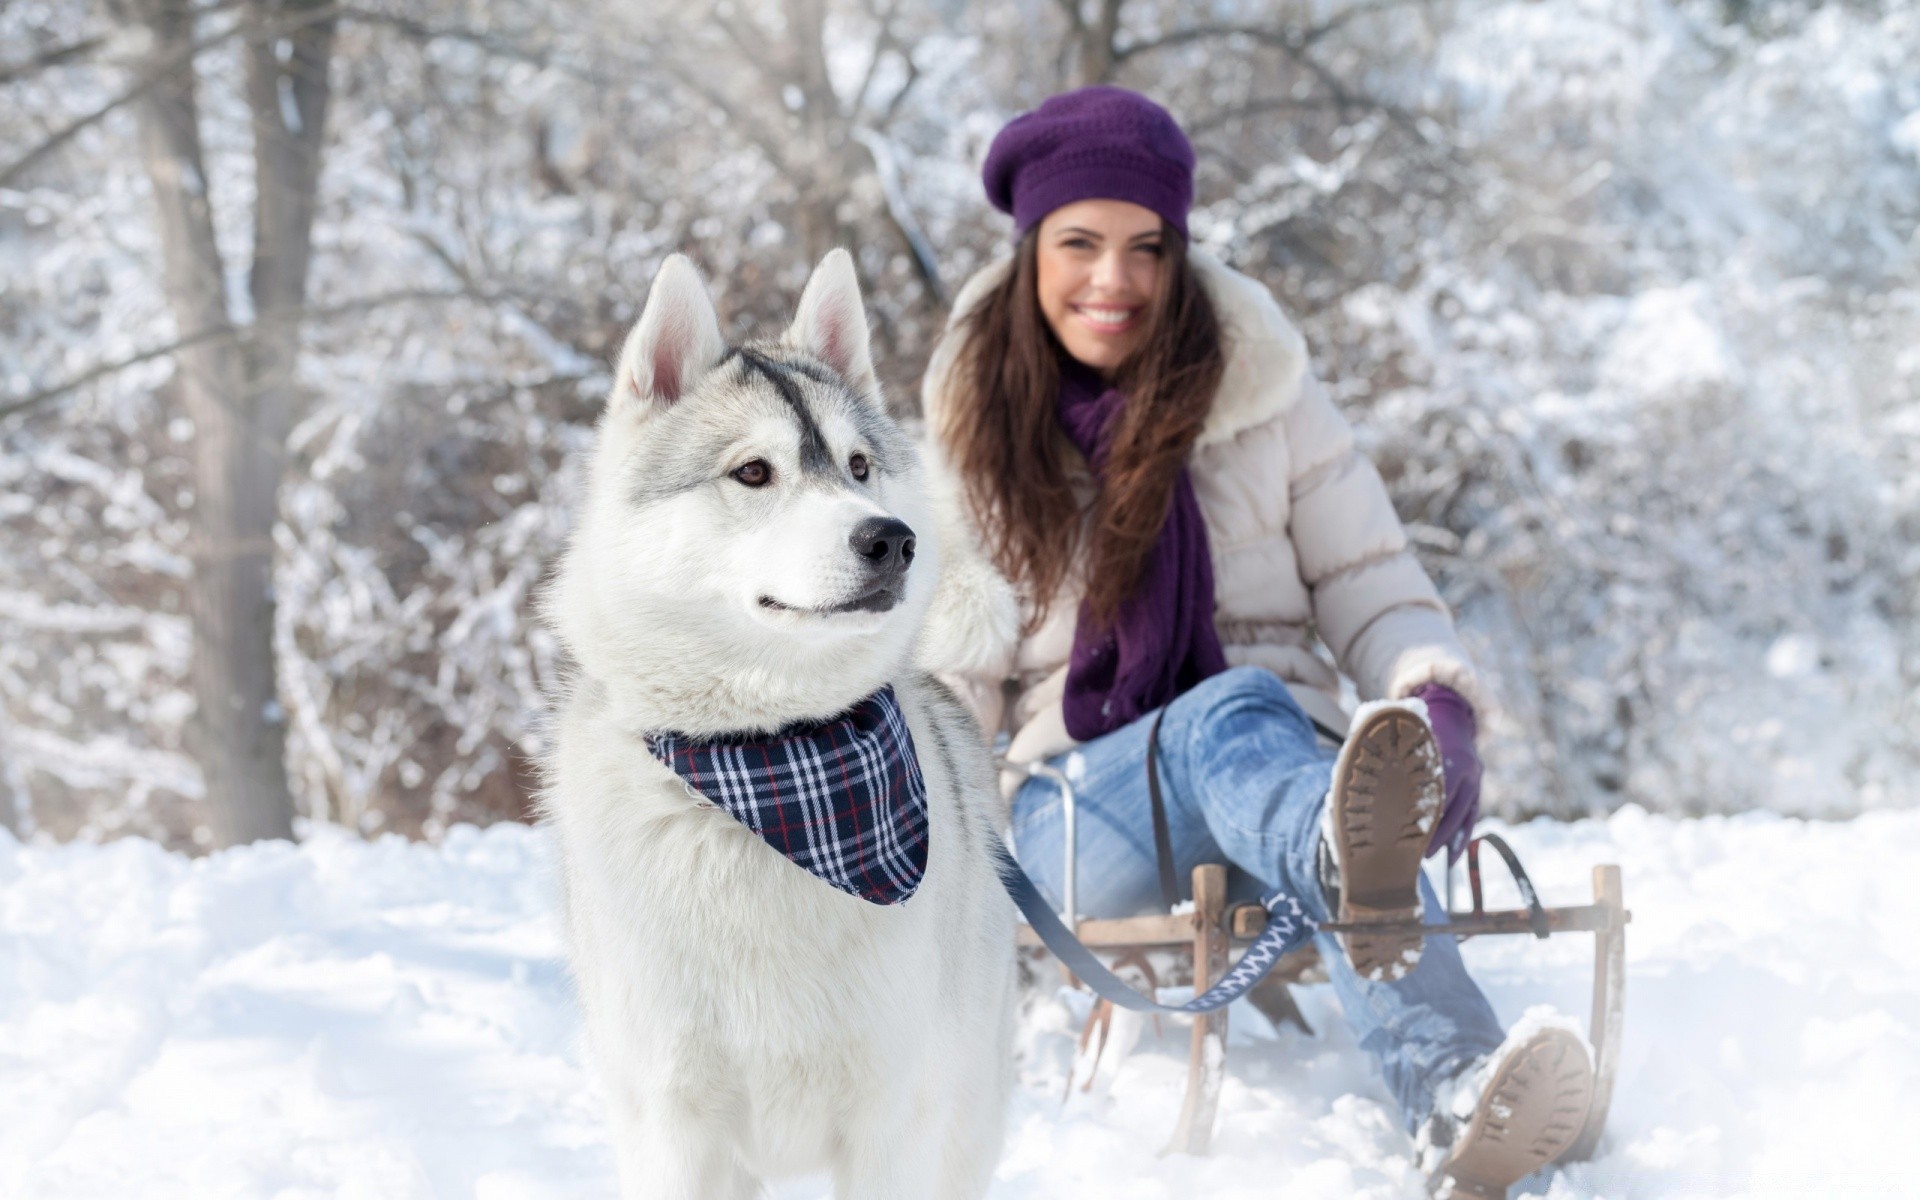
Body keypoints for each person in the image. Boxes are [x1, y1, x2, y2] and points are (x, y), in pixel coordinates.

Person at [922, 86, 1594, 1196]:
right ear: (1031, 246)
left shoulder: (1265, 396)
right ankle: (1349, 860)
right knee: (1251, 725)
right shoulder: (974, 436)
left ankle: (1461, 1098)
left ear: (1180, 254)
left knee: (1272, 742)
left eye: (1147, 248)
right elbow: (946, 682)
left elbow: (1370, 579)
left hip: (1272, 783)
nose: (1116, 282)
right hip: (1078, 815)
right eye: (1081, 243)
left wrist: (1433, 696)